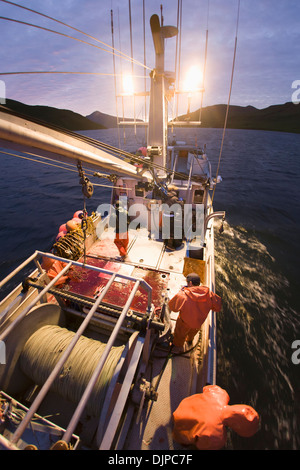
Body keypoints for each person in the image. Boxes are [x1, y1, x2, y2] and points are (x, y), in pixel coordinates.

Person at [172, 385, 259, 450]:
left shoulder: (220, 393)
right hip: (178, 433)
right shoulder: (218, 438)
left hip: (181, 407)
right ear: (235, 426)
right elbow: (202, 446)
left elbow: (206, 388)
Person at [169, 272, 221, 349]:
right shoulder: (210, 295)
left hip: (184, 323)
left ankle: (177, 345)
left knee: (179, 335)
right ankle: (189, 340)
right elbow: (217, 307)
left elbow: (173, 308)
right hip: (198, 323)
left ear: (190, 283)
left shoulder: (182, 295)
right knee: (192, 333)